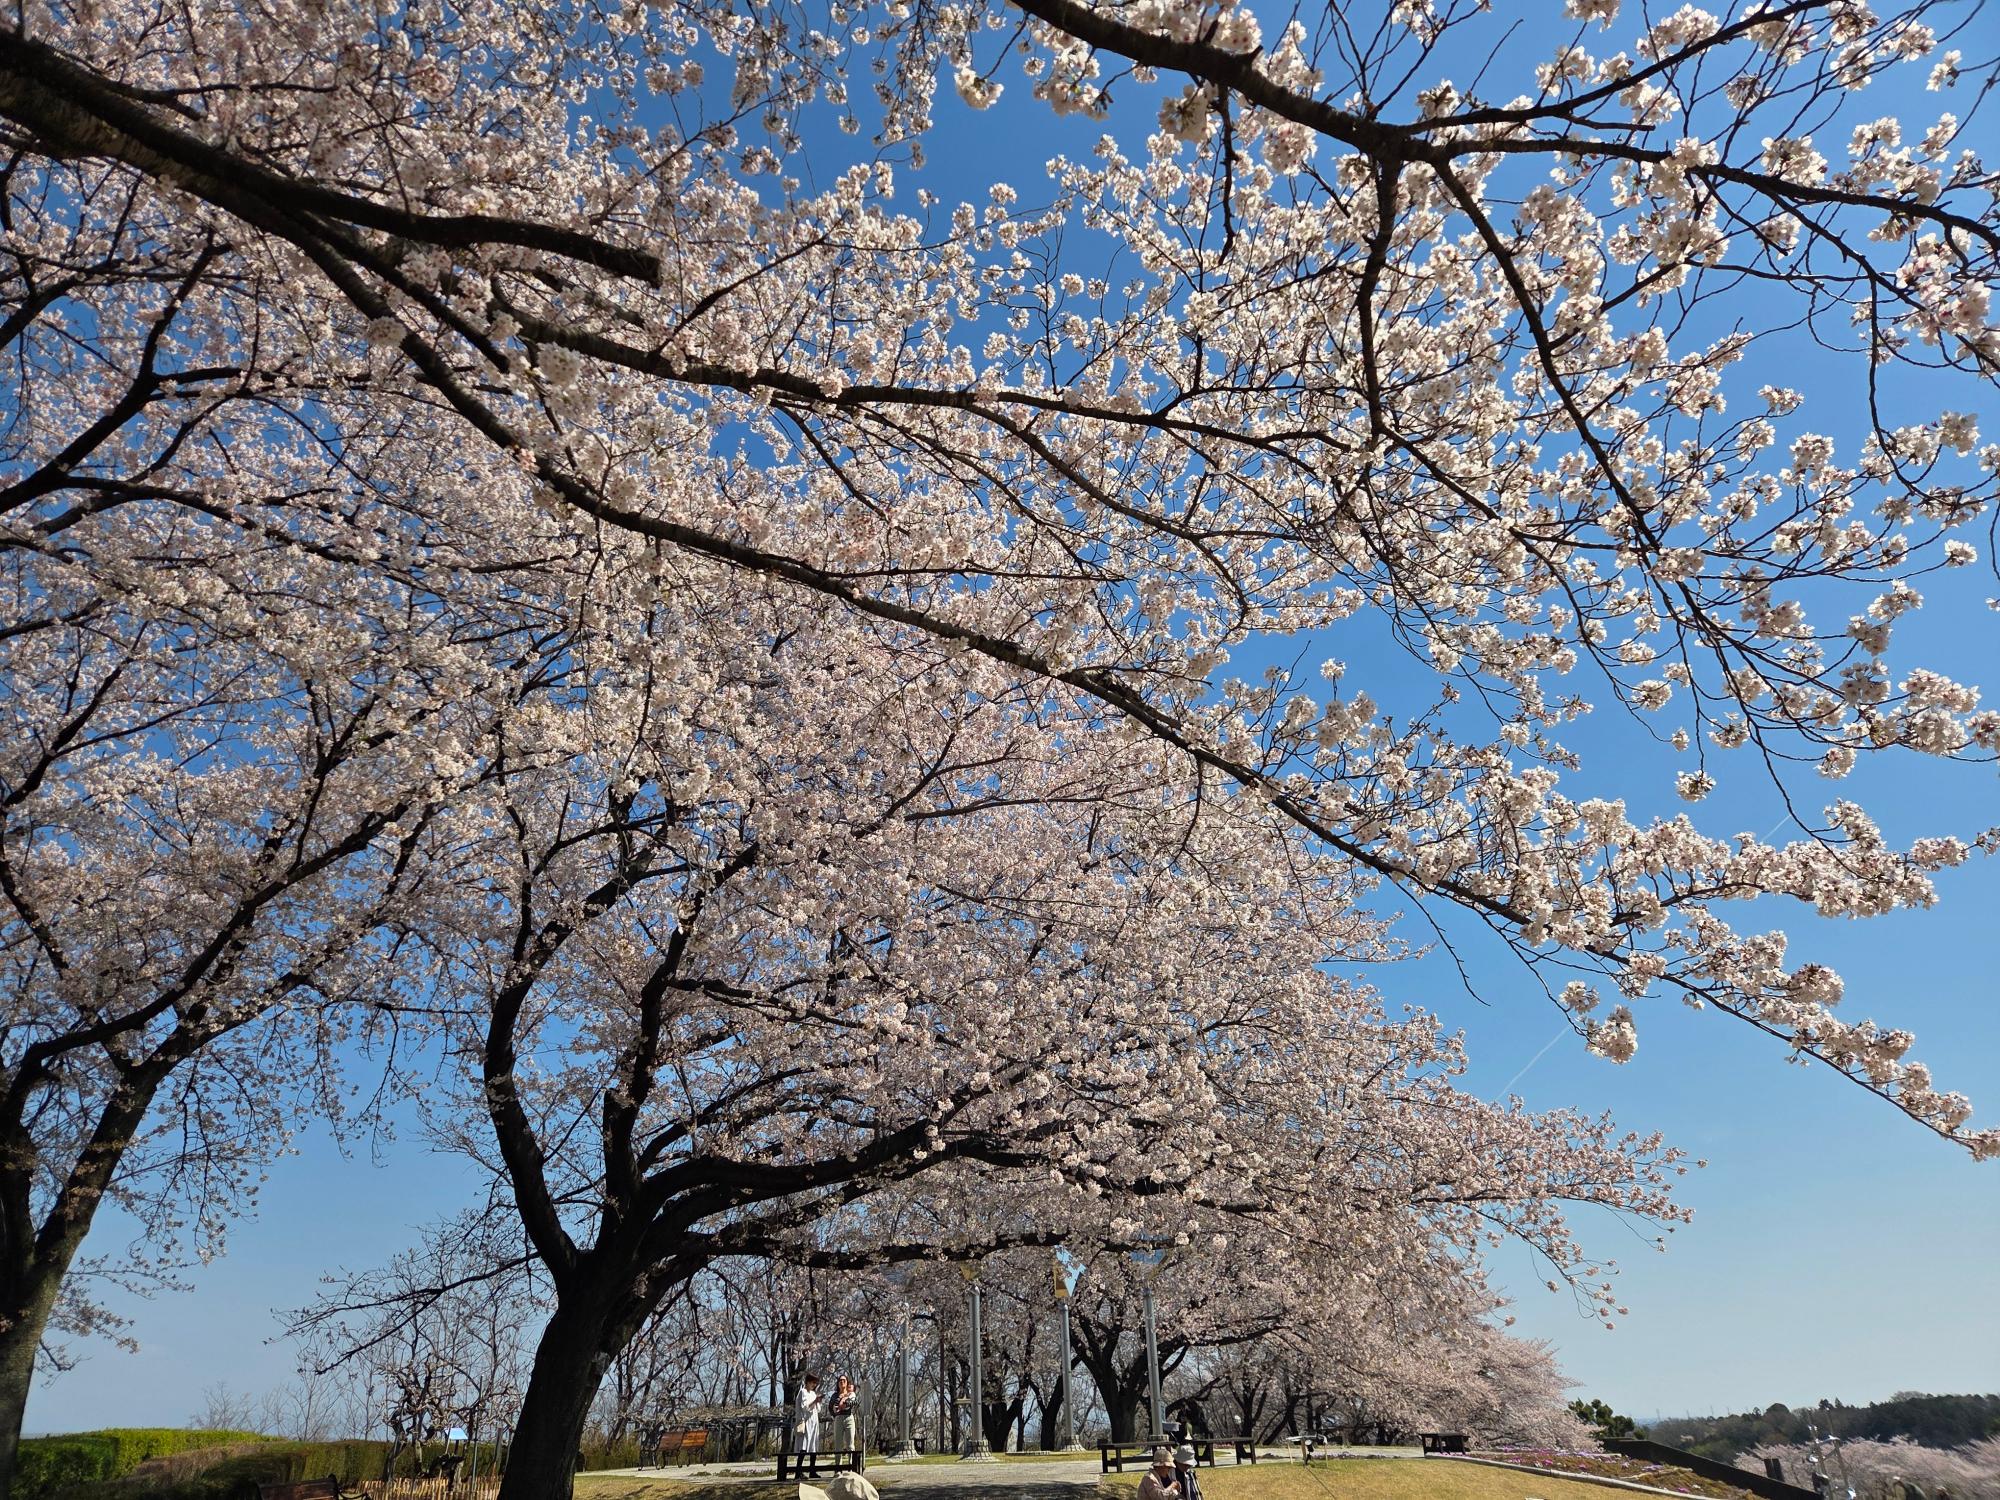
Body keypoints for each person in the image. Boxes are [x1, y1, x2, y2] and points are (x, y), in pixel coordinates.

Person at [828, 1375, 859, 1454]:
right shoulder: (835, 1395)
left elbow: (855, 1402)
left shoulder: (851, 1394)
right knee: (838, 1445)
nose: (842, 1382)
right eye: (840, 1380)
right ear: (838, 1383)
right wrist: (835, 1415)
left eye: (844, 1380)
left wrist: (845, 1401)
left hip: (849, 1418)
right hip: (838, 1419)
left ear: (847, 1382)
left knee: (850, 1445)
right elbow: (830, 1407)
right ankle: (838, 1465)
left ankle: (851, 1464)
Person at [796, 1374, 824, 1454]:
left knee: (813, 1445)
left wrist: (818, 1401)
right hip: (805, 1421)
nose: (814, 1385)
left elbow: (818, 1409)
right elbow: (804, 1407)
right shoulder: (802, 1392)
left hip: (814, 1421)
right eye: (813, 1382)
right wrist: (815, 1401)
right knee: (804, 1444)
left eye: (815, 1383)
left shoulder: (813, 1393)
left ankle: (812, 1465)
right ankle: (799, 1466)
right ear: (807, 1382)